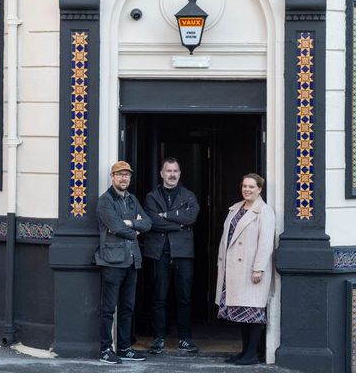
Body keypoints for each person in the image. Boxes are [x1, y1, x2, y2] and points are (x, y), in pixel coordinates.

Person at [214, 173, 277, 366]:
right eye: (244, 186)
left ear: (259, 189)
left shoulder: (265, 211)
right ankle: (244, 352)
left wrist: (258, 268)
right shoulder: (235, 208)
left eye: (251, 187)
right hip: (233, 269)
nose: (247, 190)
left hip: (252, 270)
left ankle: (251, 354)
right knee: (241, 312)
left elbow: (266, 243)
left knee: (254, 311)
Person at [95, 160, 152, 365]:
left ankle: (124, 348)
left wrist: (132, 223)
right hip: (112, 261)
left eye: (127, 175)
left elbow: (147, 223)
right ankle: (105, 349)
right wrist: (133, 230)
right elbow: (116, 227)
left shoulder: (132, 199)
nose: (124, 178)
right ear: (112, 177)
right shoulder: (105, 201)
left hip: (131, 261)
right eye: (120, 175)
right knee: (109, 309)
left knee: (127, 307)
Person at [143, 157, 200, 354]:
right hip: (159, 253)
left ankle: (185, 338)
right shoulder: (151, 197)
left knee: (184, 297)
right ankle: (159, 338)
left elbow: (191, 217)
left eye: (175, 171)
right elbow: (151, 222)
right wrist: (179, 223)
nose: (172, 174)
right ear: (162, 173)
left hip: (183, 253)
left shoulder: (189, 195)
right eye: (168, 171)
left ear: (180, 173)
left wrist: (165, 215)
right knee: (159, 297)